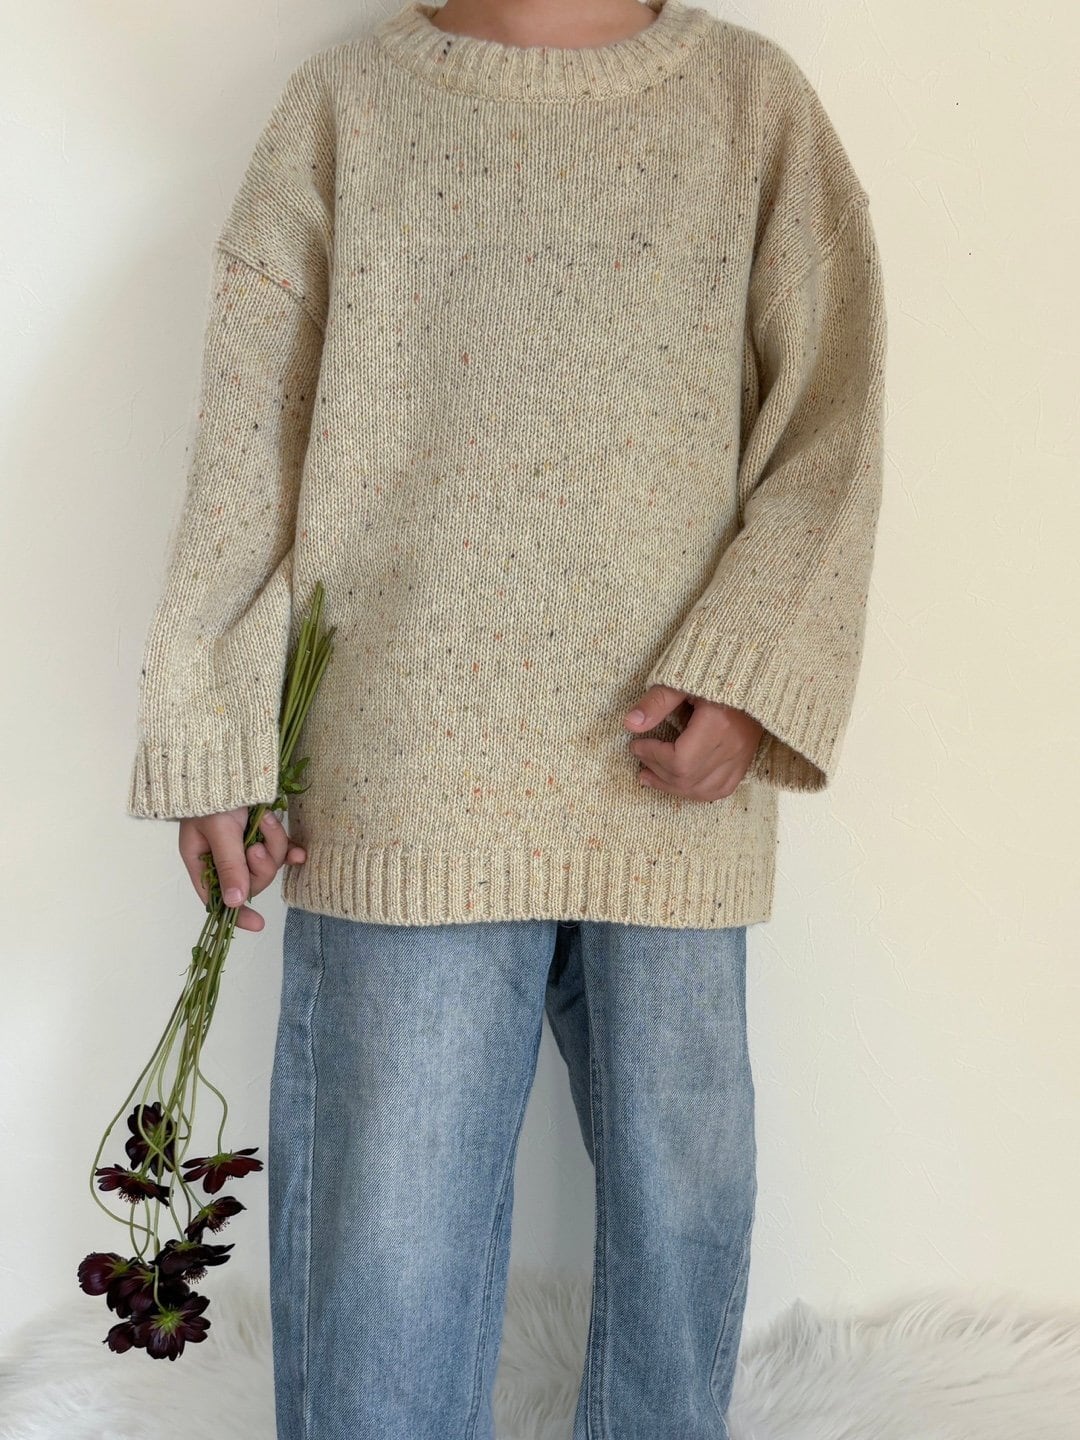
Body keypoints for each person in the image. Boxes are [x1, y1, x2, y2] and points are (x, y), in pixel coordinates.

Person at [126, 0, 887, 1435]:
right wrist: (215, 732)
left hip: (674, 781)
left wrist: (750, 674)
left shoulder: (750, 105)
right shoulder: (346, 108)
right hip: (404, 774)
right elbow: (246, 444)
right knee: (384, 1272)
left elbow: (828, 422)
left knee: (684, 1238)